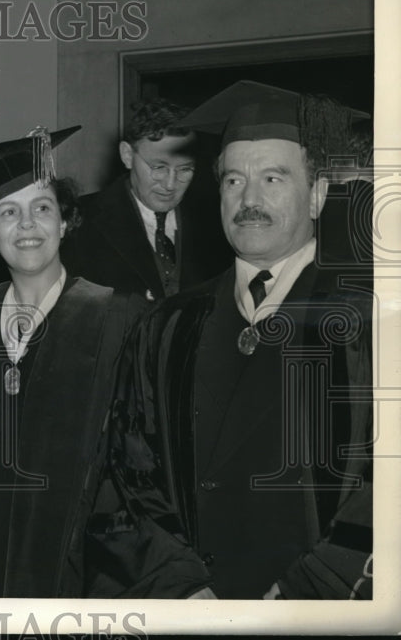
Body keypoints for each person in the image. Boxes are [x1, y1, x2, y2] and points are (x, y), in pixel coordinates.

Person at [89, 80, 373, 599]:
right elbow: (127, 480)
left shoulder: (369, 324)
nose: (250, 200)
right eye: (234, 181)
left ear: (317, 194)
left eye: (273, 177)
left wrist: (304, 591)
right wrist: (181, 587)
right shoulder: (168, 326)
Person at [0, 127, 147, 597]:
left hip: (85, 576)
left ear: (64, 222)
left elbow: (140, 466)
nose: (27, 225)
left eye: (42, 208)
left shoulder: (118, 318)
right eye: (8, 212)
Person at [67, 96, 229, 302]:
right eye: (158, 167)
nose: (170, 184)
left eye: (185, 169)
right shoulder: (78, 221)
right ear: (127, 155)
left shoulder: (217, 224)